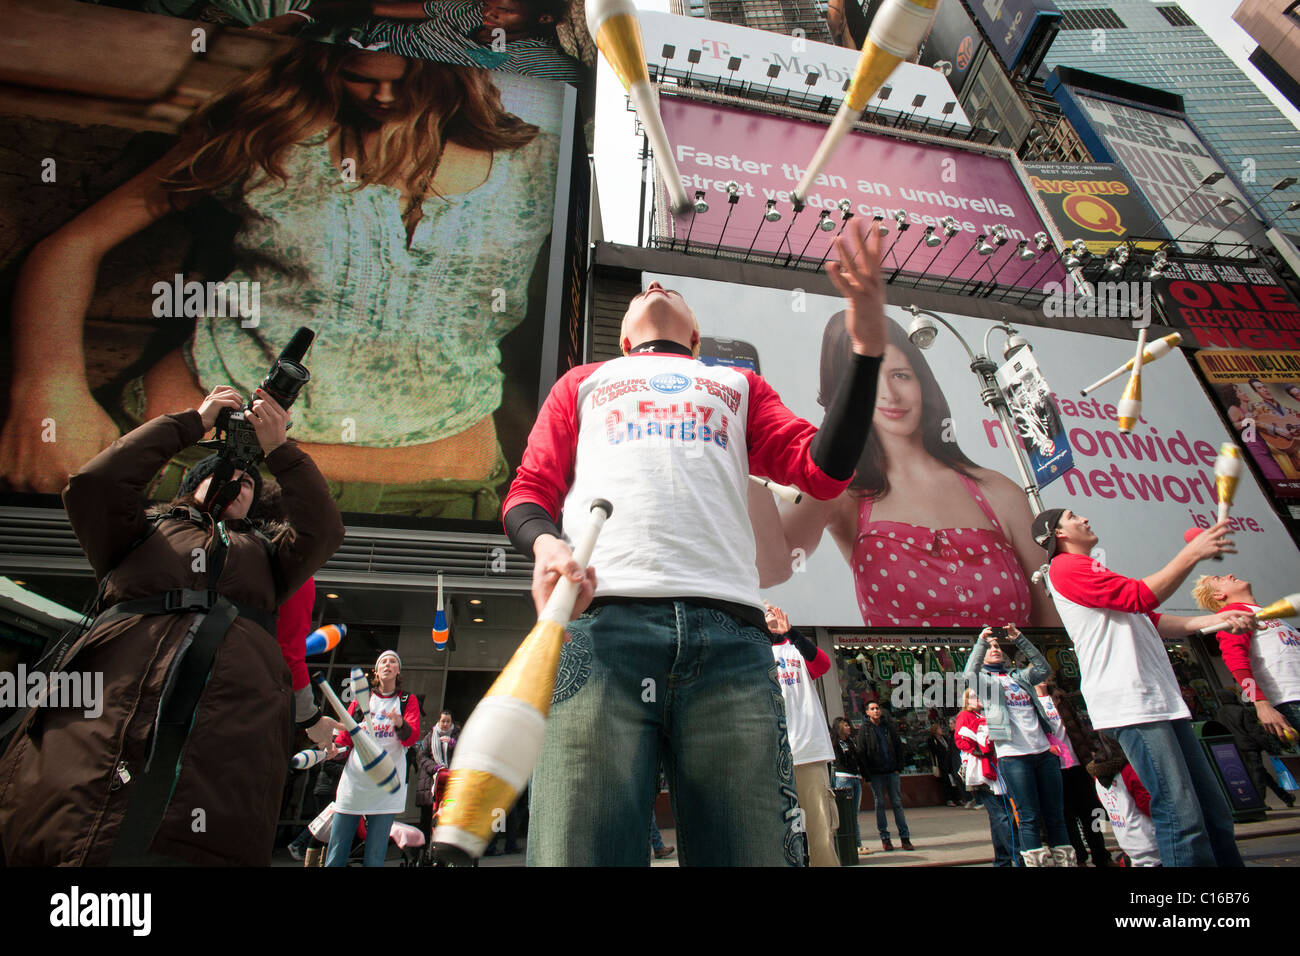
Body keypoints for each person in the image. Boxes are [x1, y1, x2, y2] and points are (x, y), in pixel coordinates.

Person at [0, 42, 557, 520]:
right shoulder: (274, 133)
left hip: (439, 498)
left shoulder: (539, 161)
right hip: (195, 466)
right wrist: (47, 389)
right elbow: (74, 244)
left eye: (408, 77)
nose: (384, 96)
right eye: (360, 75)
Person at [501, 218, 888, 866]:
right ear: (624, 338)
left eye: (673, 292)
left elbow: (824, 469)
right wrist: (545, 545)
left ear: (696, 336)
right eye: (644, 291)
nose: (655, 285)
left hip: (732, 641)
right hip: (599, 628)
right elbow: (526, 492)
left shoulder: (737, 385)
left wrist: (867, 352)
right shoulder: (581, 383)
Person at [0, 385, 345, 865]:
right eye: (229, 476)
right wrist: (193, 422)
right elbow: (94, 484)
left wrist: (279, 451)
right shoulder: (139, 532)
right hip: (104, 723)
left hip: (223, 748)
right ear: (194, 484)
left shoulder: (270, 559)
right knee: (77, 836)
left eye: (250, 481)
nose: (241, 483)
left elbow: (324, 531)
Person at [769, 315, 1061, 628]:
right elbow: (770, 566)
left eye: (900, 375)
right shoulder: (841, 491)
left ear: (922, 380)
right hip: (901, 677)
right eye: (866, 384)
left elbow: (1057, 627)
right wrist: (746, 452)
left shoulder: (999, 492)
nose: (889, 395)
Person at [1032, 507, 1254, 866]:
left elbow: (1152, 618)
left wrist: (1217, 619)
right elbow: (1141, 597)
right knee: (1180, 813)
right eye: (1074, 517)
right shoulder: (1065, 567)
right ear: (1058, 534)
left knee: (1212, 812)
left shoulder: (1094, 571)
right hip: (1131, 703)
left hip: (1161, 702)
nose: (1086, 519)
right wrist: (1193, 553)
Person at [964, 625, 1072, 866]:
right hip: (1013, 756)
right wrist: (981, 641)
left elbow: (1043, 668)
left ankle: (1066, 862)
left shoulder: (1019, 677)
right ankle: (1036, 862)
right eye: (991, 647)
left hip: (1043, 752)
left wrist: (1020, 638)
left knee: (1056, 815)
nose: (995, 649)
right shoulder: (985, 682)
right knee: (1029, 816)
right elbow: (968, 674)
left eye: (998, 646)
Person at [326, 650, 421, 866]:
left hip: (386, 787)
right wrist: (334, 749)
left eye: (393, 662)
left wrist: (399, 723)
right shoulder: (362, 699)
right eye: (383, 662)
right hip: (355, 783)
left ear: (398, 671)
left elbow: (411, 738)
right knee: (337, 852)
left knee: (375, 856)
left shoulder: (407, 701)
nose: (388, 664)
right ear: (376, 671)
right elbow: (345, 736)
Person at [765, 602, 839, 866]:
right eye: (764, 612)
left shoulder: (794, 648)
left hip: (808, 752)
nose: (770, 615)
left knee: (820, 834)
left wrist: (792, 633)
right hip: (769, 756)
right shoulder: (753, 651)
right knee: (775, 836)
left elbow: (823, 664)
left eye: (773, 610)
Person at [1192, 571, 1300, 742]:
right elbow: (1235, 661)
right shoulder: (1235, 616)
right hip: (1290, 700)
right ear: (1219, 595)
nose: (1229, 574)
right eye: (1219, 578)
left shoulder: (1267, 615)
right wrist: (1260, 703)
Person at [1039, 678, 1110, 867]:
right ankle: (1079, 856)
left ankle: (1102, 855)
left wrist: (1091, 750)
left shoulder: (1059, 698)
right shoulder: (1030, 702)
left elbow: (1078, 726)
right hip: (1054, 768)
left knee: (1093, 813)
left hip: (1078, 762)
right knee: (1066, 817)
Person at [954, 688, 1015, 866]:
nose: (978, 698)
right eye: (973, 696)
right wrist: (978, 750)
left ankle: (1003, 859)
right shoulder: (965, 716)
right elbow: (961, 740)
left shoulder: (985, 715)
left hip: (996, 768)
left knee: (998, 817)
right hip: (982, 771)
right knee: (1002, 816)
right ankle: (1018, 854)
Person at [1213, 689, 1296, 809]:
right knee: (1258, 776)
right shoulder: (1241, 711)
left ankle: (1285, 797)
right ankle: (1258, 802)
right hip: (1249, 747)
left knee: (1262, 775)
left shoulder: (1220, 713)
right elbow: (1254, 731)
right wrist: (1267, 746)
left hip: (1234, 748)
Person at [1088, 734, 1160, 867]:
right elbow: (1150, 806)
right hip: (1151, 841)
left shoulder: (1098, 777)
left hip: (1128, 842)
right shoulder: (1129, 771)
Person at [857, 701, 913, 851]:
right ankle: (885, 838)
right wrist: (867, 775)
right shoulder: (865, 730)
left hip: (891, 771)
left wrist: (898, 767)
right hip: (876, 774)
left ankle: (905, 837)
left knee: (897, 803)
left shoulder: (888, 727)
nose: (876, 711)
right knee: (879, 804)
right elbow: (861, 753)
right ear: (867, 712)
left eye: (877, 708)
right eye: (872, 709)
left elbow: (898, 747)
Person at [415, 709, 458, 851]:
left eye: (448, 721)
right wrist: (436, 768)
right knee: (427, 819)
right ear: (438, 721)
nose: (445, 724)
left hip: (450, 784)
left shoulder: (457, 736)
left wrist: (453, 744)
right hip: (430, 784)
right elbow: (422, 756)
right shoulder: (430, 736)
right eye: (443, 721)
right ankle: (423, 850)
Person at [831, 716, 865, 850]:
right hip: (843, 777)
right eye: (845, 725)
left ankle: (857, 843)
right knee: (845, 811)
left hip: (855, 777)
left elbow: (857, 758)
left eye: (848, 725)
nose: (848, 727)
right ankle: (852, 845)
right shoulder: (835, 742)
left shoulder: (851, 742)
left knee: (854, 812)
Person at [926, 720, 961, 806]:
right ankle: (949, 799)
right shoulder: (932, 740)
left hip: (949, 762)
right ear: (935, 730)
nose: (941, 730)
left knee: (954, 780)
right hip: (941, 763)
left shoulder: (945, 738)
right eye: (939, 729)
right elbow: (934, 751)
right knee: (946, 782)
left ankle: (957, 798)